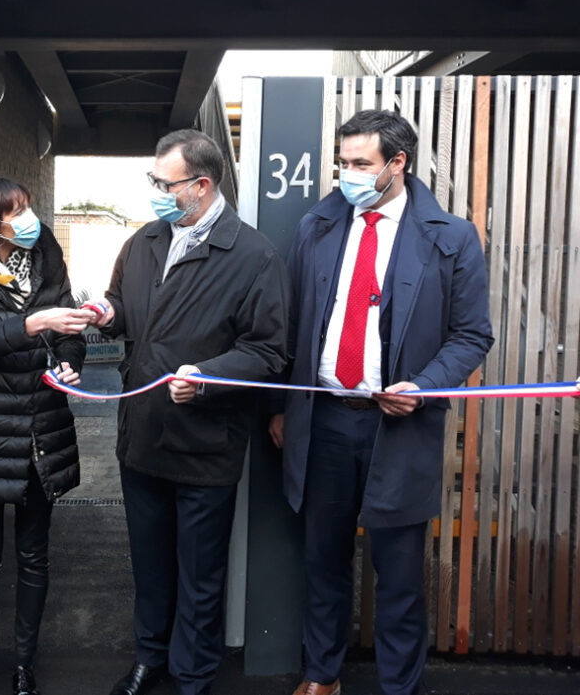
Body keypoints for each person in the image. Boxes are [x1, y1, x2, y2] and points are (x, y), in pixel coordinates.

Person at [268, 110, 494, 695]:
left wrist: (424, 385)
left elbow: (472, 335)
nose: (346, 174)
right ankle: (323, 676)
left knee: (398, 575)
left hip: (400, 429)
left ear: (398, 163)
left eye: (360, 164)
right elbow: (290, 322)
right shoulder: (318, 226)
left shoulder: (451, 237)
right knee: (322, 560)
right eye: (342, 162)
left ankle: (399, 687)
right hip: (323, 420)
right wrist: (281, 408)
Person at [91, 129, 289, 695]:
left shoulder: (253, 256)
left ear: (201, 186)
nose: (155, 192)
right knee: (150, 565)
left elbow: (267, 351)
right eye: (153, 180)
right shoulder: (144, 241)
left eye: (164, 183)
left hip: (205, 444)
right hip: (141, 436)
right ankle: (149, 657)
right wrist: (106, 313)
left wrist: (207, 378)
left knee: (200, 576)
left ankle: (192, 675)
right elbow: (124, 306)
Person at [0, 174, 93, 695]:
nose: (29, 219)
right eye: (16, 211)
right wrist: (31, 325)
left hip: (40, 427)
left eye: (28, 207)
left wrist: (70, 361)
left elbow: (68, 330)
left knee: (33, 554)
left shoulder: (46, 256)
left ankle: (24, 665)